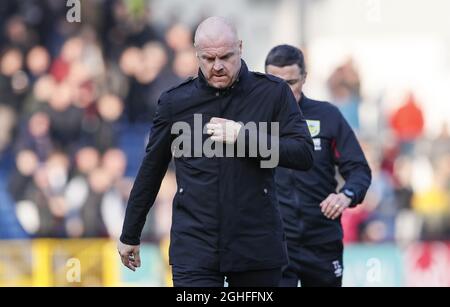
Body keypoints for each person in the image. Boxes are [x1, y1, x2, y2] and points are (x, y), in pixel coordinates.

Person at [117, 18, 314, 287]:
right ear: (196, 55)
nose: (218, 66)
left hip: (255, 247)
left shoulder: (272, 93)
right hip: (195, 248)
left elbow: (303, 154)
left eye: (226, 57)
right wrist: (130, 233)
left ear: (240, 48)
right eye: (208, 59)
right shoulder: (175, 102)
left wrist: (245, 136)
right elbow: (152, 169)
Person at [265, 45, 371, 287]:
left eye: (290, 82)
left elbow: (359, 170)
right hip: (275, 246)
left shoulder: (327, 116)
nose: (282, 91)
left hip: (321, 241)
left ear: (304, 78)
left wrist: (346, 196)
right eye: (274, 82)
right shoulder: (252, 122)